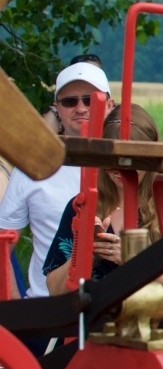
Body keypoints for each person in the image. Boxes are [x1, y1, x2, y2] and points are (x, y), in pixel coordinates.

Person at [0, 61, 108, 298]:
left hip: (114, 307)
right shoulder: (33, 166)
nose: (81, 108)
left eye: (91, 100)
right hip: (46, 309)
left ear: (110, 104)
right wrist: (15, 311)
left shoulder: (128, 167)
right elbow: (3, 244)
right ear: (57, 109)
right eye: (70, 101)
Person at [42, 104, 163, 295]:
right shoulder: (81, 206)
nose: (120, 170)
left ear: (151, 157)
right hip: (91, 322)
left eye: (132, 160)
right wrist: (83, 253)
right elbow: (54, 290)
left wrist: (136, 261)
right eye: (111, 159)